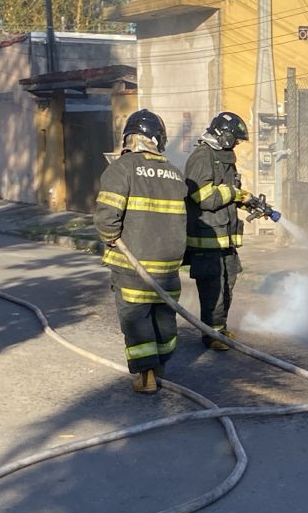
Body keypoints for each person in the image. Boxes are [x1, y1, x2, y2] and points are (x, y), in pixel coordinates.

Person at [94, 110, 188, 394]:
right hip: (168, 265)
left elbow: (107, 217)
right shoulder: (174, 172)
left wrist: (110, 236)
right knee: (164, 316)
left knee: (136, 318)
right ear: (158, 139)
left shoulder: (122, 168)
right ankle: (160, 366)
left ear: (130, 137)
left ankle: (145, 375)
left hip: (133, 264)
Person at [183, 111, 251, 351]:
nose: (237, 144)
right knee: (213, 287)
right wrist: (233, 193)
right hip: (207, 238)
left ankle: (219, 329)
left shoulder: (223, 157)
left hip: (225, 240)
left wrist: (244, 199)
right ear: (223, 135)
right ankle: (210, 334)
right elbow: (201, 196)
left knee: (227, 283)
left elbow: (228, 191)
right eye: (236, 139)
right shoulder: (202, 157)